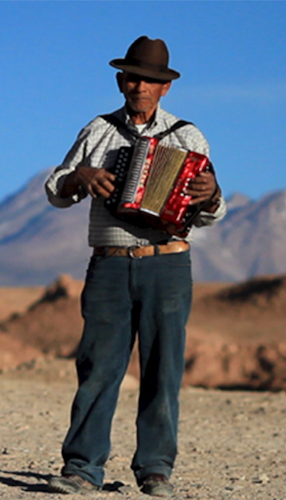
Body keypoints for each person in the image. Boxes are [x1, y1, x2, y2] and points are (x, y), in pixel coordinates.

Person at [44, 36, 226, 497]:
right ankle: (82, 469)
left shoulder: (187, 136)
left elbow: (209, 211)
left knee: (163, 369)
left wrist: (212, 195)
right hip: (107, 265)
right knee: (98, 367)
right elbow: (54, 190)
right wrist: (80, 176)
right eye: (132, 77)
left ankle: (156, 470)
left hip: (167, 265)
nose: (139, 85)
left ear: (165, 88)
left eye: (150, 80)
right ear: (120, 80)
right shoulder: (98, 131)